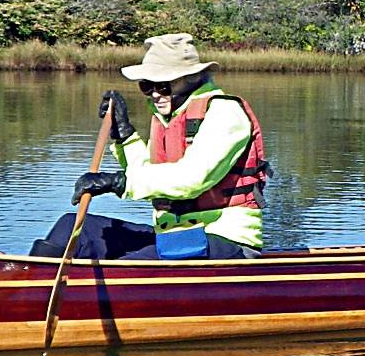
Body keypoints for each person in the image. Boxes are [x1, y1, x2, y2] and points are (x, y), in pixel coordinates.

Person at [30, 33, 269, 260]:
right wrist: (124, 135)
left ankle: (58, 292)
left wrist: (118, 182)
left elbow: (191, 180)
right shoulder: (168, 119)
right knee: (71, 226)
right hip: (174, 236)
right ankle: (31, 285)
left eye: (163, 86)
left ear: (192, 79)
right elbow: (149, 177)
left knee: (125, 266)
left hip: (224, 241)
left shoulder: (225, 113)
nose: (155, 94)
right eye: (147, 86)